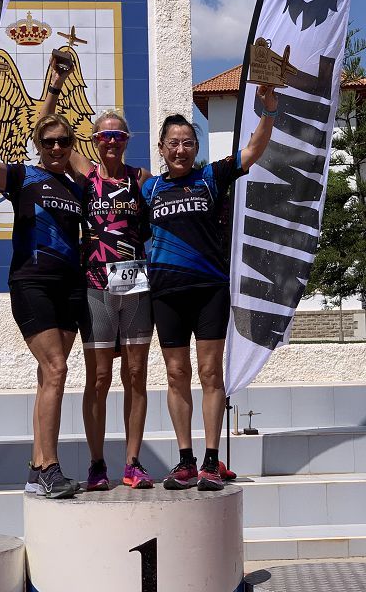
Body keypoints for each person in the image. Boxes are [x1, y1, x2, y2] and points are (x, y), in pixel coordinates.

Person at [0, 82, 83, 499]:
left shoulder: (78, 185)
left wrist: (57, 90)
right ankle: (50, 467)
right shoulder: (22, 176)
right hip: (31, 281)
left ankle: (35, 470)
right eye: (49, 141)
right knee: (57, 370)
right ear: (38, 144)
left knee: (49, 376)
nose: (56, 147)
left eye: (63, 141)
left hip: (70, 286)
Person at [142, 86, 278, 490]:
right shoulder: (148, 188)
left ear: (195, 146)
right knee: (176, 373)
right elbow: (93, 169)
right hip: (166, 292)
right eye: (173, 143)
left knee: (209, 372)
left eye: (187, 142)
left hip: (209, 290)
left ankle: (211, 460)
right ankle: (184, 460)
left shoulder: (211, 177)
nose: (180, 149)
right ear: (161, 148)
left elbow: (253, 150)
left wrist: (269, 109)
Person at [39, 58, 155, 490]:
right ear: (93, 141)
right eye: (104, 136)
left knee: (137, 375)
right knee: (100, 377)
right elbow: (44, 130)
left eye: (118, 136)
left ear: (127, 141)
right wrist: (54, 87)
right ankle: (96, 463)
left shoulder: (142, 178)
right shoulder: (86, 175)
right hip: (95, 286)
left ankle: (133, 461)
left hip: (137, 288)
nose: (112, 142)